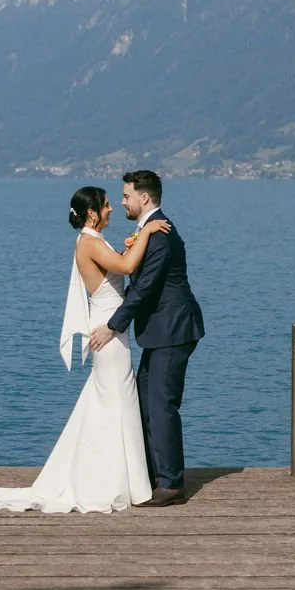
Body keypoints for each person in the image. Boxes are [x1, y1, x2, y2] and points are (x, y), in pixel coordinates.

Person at [0, 186, 171, 515]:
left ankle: (123, 479)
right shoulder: (89, 242)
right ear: (92, 213)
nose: (113, 209)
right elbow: (127, 268)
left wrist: (135, 240)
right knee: (117, 398)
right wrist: (145, 232)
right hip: (108, 330)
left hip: (113, 326)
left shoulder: (94, 241)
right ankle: (117, 482)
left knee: (113, 400)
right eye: (107, 205)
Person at [88, 169, 205, 507]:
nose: (122, 201)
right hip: (161, 331)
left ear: (144, 197)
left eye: (126, 196)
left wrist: (112, 326)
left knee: (162, 404)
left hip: (173, 329)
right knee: (145, 399)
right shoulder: (150, 231)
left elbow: (143, 289)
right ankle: (154, 474)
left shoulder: (161, 234)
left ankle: (171, 483)